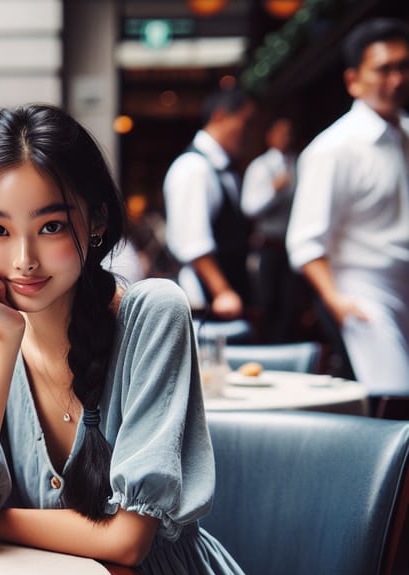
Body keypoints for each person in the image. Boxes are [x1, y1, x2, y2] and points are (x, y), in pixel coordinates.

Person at [0, 104, 334, 575]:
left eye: (51, 226)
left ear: (97, 221)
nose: (23, 259)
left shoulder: (153, 312)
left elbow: (125, 542)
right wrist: (5, 343)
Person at [286, 17, 409, 394]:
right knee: (395, 400)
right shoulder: (333, 148)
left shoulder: (405, 131)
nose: (398, 79)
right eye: (384, 69)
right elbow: (305, 243)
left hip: (403, 286)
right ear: (353, 80)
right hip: (364, 291)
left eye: (404, 67)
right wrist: (338, 303)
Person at [163, 86, 257, 320]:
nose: (248, 132)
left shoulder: (221, 168)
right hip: (206, 302)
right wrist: (223, 292)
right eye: (245, 122)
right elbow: (194, 244)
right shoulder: (193, 168)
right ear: (220, 116)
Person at [241, 116, 298, 342]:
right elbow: (249, 207)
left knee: (289, 304)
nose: (286, 138)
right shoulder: (260, 167)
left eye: (289, 134)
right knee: (267, 301)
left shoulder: (298, 164)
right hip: (267, 245)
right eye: (281, 133)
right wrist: (273, 191)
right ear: (270, 136)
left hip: (291, 246)